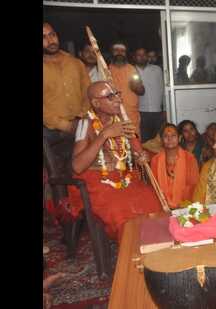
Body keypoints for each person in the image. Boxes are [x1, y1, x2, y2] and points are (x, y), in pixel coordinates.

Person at [69, 81, 162, 241]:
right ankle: (131, 252)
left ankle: (154, 247)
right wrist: (104, 135)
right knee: (122, 210)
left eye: (117, 94)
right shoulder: (85, 123)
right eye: (110, 97)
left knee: (151, 199)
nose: (118, 100)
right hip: (97, 184)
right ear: (96, 103)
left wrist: (139, 158)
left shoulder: (120, 121)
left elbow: (126, 153)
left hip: (125, 178)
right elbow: (77, 167)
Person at [43, 22, 91, 209]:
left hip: (79, 126)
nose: (50, 40)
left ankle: (82, 212)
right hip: (50, 132)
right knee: (56, 178)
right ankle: (62, 219)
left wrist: (82, 117)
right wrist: (64, 125)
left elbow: (88, 92)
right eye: (44, 37)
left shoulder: (75, 63)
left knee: (80, 172)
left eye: (52, 34)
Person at [151, 124, 200, 208]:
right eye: (166, 136)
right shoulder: (155, 160)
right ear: (161, 140)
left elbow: (194, 186)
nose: (169, 139)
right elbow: (154, 187)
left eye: (173, 136)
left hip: (185, 206)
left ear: (179, 138)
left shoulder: (190, 159)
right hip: (162, 206)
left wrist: (184, 206)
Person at [108, 42, 145, 139]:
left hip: (131, 115)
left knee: (135, 145)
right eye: (116, 50)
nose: (119, 53)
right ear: (112, 52)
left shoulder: (132, 69)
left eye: (122, 51)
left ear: (126, 53)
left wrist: (137, 87)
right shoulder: (105, 69)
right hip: (112, 116)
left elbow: (141, 91)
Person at [134, 47, 166, 142]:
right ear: (134, 57)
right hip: (140, 112)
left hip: (157, 112)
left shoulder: (157, 70)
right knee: (143, 141)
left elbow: (163, 89)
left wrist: (165, 109)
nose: (142, 57)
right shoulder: (131, 70)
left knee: (159, 141)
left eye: (144, 55)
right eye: (139, 55)